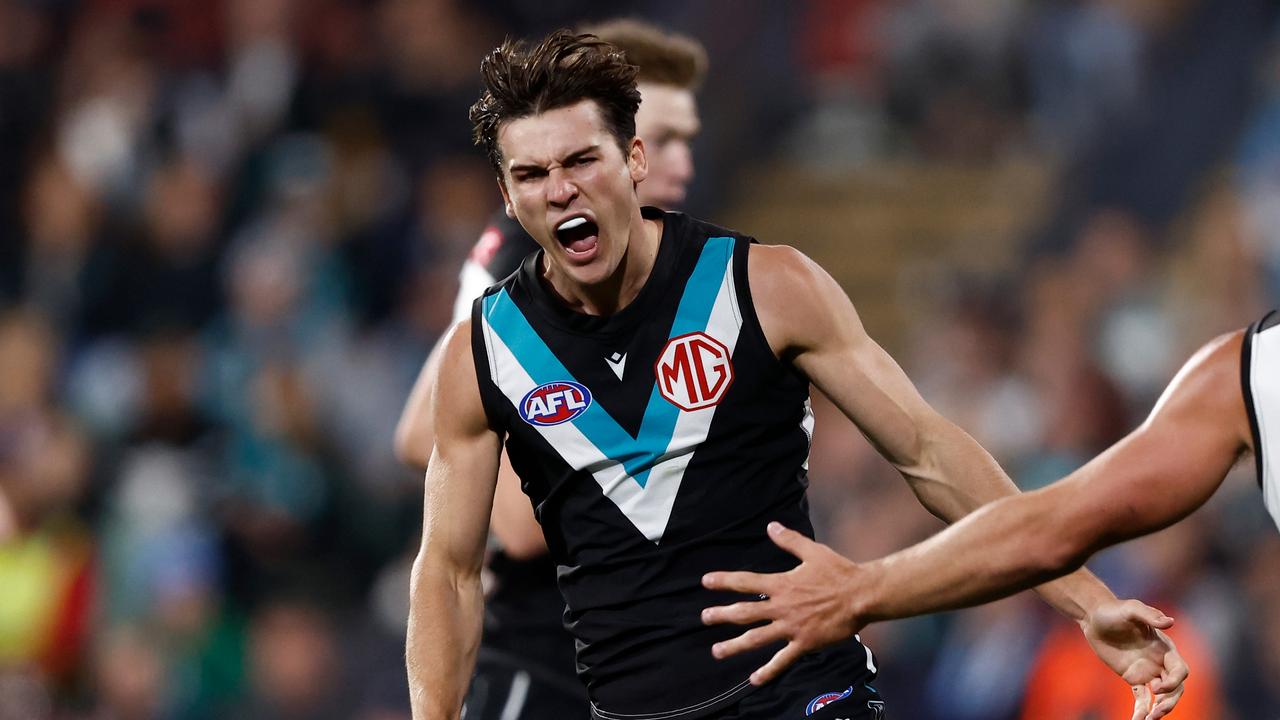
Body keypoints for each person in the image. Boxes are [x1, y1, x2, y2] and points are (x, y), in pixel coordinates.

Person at [405, 30, 1186, 720]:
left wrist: (1086, 602)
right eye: (534, 174)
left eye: (582, 159)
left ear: (634, 159)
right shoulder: (485, 353)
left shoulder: (764, 286)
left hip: (801, 695)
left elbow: (928, 452)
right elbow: (447, 571)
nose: (562, 188)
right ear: (508, 195)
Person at [700, 314, 1276, 718]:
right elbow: (1051, 528)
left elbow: (1051, 529)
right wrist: (1092, 603)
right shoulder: (1251, 373)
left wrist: (858, 591)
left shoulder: (1249, 372)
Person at [394, 20, 707, 720]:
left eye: (687, 139)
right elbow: (424, 429)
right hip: (548, 652)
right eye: (662, 140)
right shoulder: (525, 257)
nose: (679, 163)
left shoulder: (659, 258)